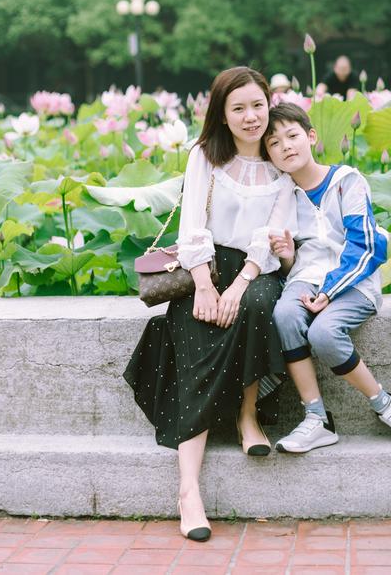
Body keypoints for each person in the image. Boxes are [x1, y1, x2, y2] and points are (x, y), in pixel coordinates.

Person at [124, 67, 296, 543]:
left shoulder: (281, 163)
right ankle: (188, 491)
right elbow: (192, 228)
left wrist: (238, 285)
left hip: (256, 268)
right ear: (222, 114)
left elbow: (271, 235)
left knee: (256, 306)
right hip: (204, 264)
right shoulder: (205, 156)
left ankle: (247, 415)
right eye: (238, 108)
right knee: (200, 335)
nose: (251, 117)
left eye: (258, 106)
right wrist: (203, 284)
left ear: (269, 105)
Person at [263, 103, 391, 454]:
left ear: (311, 136)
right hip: (305, 278)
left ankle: (387, 405)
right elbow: (294, 263)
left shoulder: (347, 181)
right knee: (285, 315)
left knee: (324, 333)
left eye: (292, 136)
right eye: (274, 143)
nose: (285, 146)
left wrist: (329, 291)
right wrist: (287, 255)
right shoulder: (281, 194)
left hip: (354, 281)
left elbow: (365, 246)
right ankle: (317, 419)